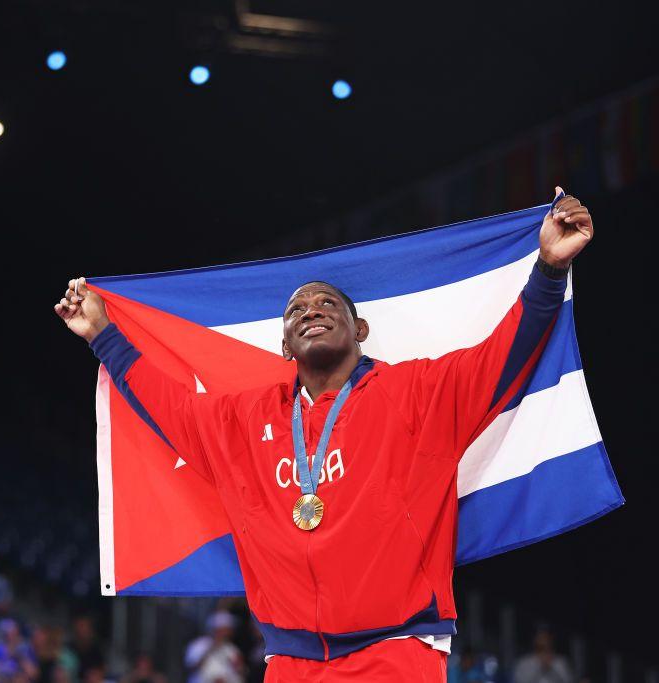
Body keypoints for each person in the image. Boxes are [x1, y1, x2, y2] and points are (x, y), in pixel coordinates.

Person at [55, 189, 595, 682]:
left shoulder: (417, 393)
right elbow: (167, 406)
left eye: (327, 304)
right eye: (295, 312)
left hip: (396, 652)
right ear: (285, 346)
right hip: (291, 663)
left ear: (360, 330)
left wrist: (549, 268)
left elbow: (502, 358)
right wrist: (103, 335)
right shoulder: (243, 420)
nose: (310, 311)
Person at [184, 612, 245, 683]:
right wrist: (211, 649)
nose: (230, 633)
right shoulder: (199, 644)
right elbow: (190, 668)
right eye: (226, 629)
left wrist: (238, 666)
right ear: (217, 629)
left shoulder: (231, 648)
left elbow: (241, 671)